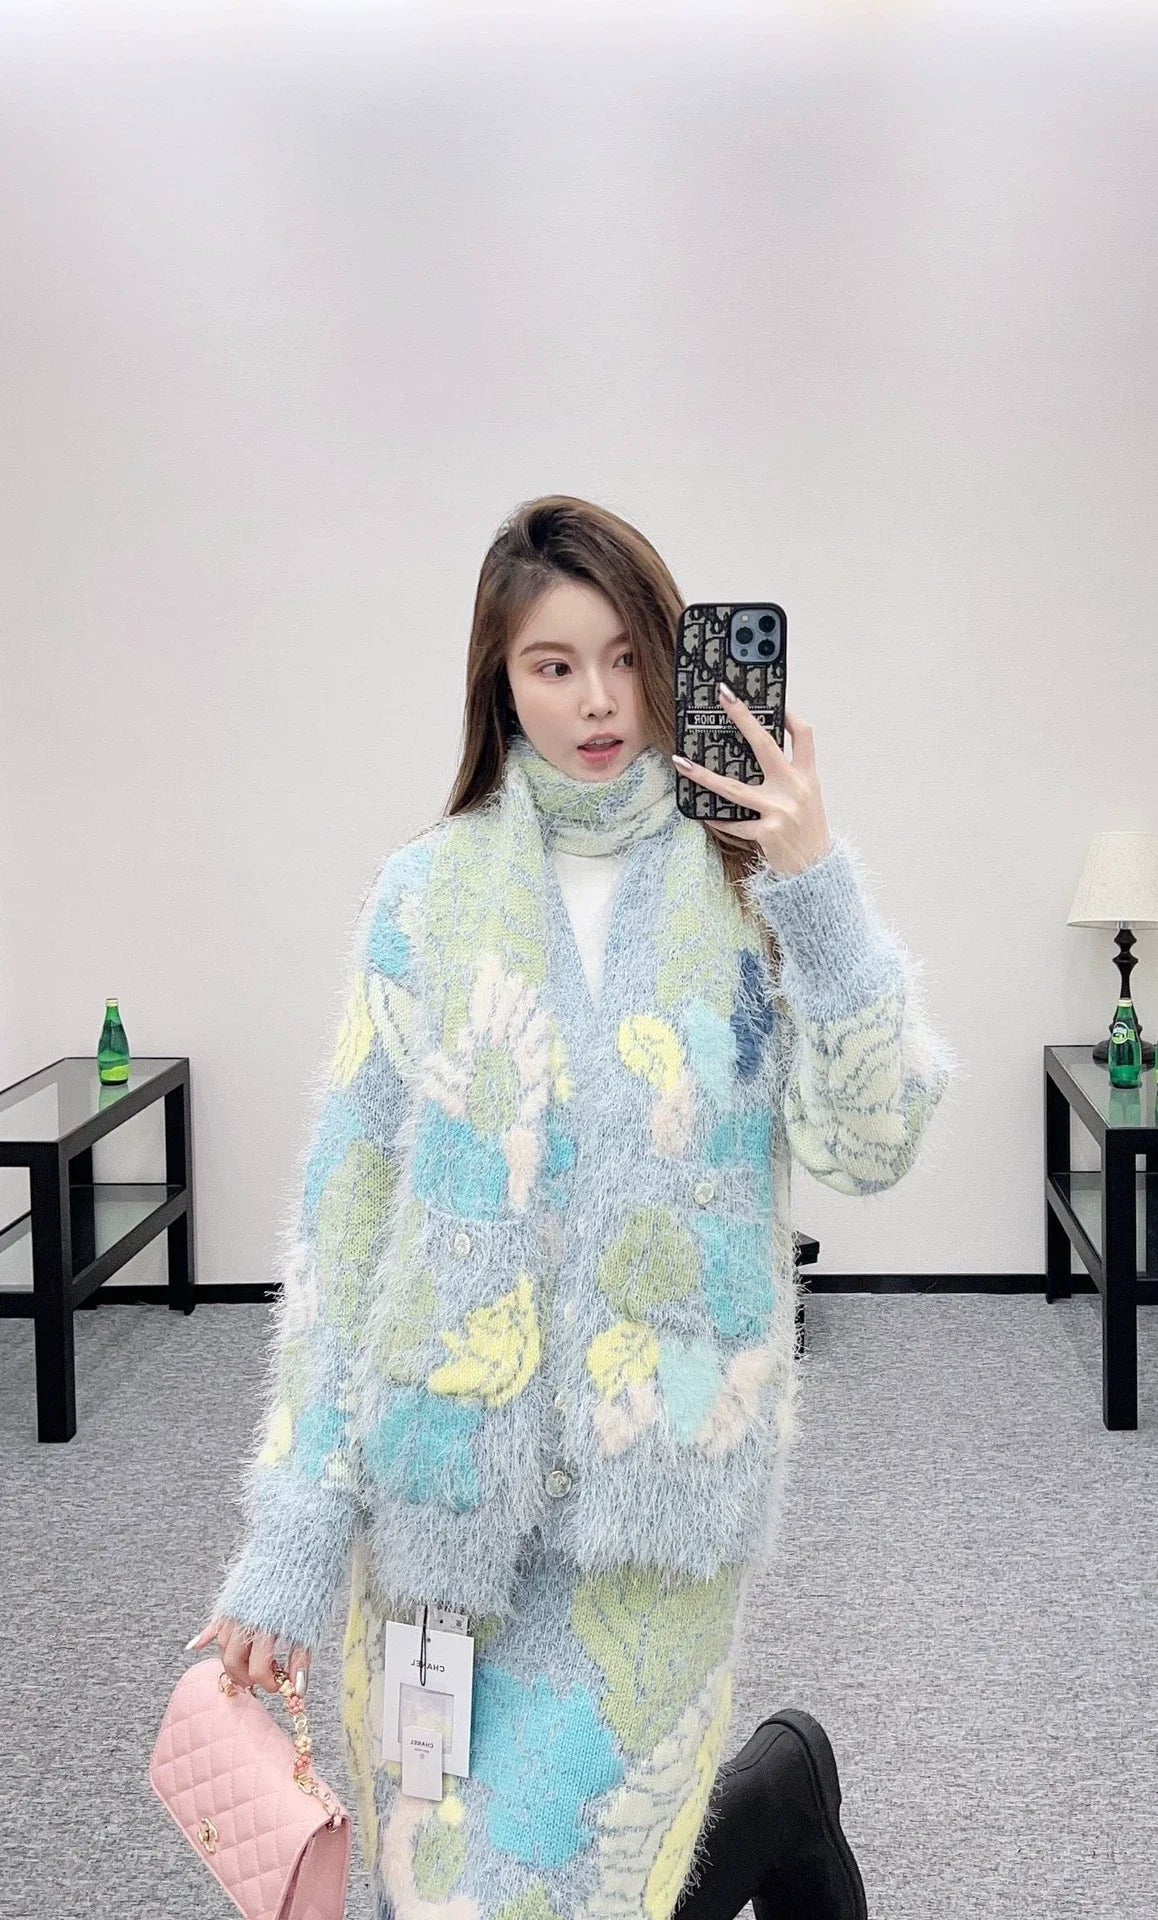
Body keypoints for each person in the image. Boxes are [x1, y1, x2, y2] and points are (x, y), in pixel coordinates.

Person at [185, 496, 953, 1920]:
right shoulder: (423, 900)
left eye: (624, 657)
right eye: (552, 664)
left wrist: (816, 889)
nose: (597, 700)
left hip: (649, 1519)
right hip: (432, 1512)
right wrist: (293, 1534)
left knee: (539, 1892)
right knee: (424, 1894)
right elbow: (344, 1231)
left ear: (668, 659)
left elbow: (871, 1144)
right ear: (500, 680)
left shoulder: (751, 887)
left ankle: (765, 1795)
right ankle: (777, 1798)